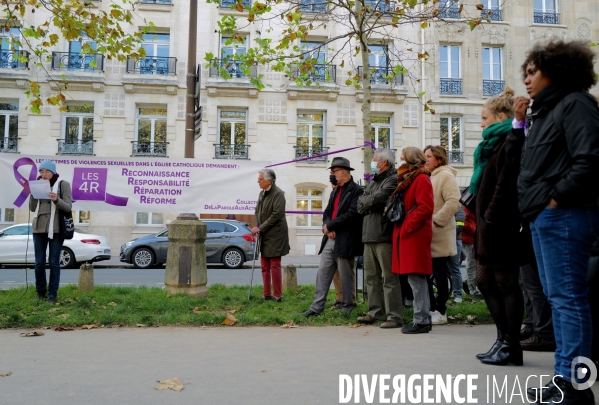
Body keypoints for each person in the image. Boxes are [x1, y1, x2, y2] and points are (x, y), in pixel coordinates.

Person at [506, 40, 599, 404]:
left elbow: (590, 160)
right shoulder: (544, 112)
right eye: (525, 73)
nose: (526, 80)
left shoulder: (575, 104)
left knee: (569, 300)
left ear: (556, 70)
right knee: (559, 298)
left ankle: (576, 386)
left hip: (564, 215)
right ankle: (564, 378)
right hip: (544, 217)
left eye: (533, 71)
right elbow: (522, 165)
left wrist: (555, 197)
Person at [470, 87, 525, 366]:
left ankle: (511, 345)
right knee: (484, 280)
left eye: (484, 118)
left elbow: (506, 184)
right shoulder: (490, 146)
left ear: (501, 116)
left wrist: (490, 217)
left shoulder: (508, 141)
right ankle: (502, 339)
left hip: (500, 223)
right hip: (486, 223)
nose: (481, 124)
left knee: (505, 282)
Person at [301, 157, 364, 317]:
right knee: (323, 272)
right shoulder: (335, 191)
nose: (332, 174)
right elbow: (327, 212)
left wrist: (331, 225)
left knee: (345, 275)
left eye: (334, 171)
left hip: (346, 239)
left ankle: (347, 306)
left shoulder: (357, 191)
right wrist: (328, 226)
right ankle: (316, 308)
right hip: (330, 237)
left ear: (344, 172)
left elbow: (352, 215)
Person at [389, 147, 434, 334]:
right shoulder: (410, 179)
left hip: (414, 234)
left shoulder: (421, 179)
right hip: (408, 233)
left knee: (417, 278)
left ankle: (422, 320)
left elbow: (425, 207)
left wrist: (408, 226)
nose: (400, 162)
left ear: (411, 161)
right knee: (414, 278)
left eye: (402, 159)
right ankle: (421, 318)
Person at [356, 148, 402, 328]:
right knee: (371, 278)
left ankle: (395, 316)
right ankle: (375, 311)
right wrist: (368, 202)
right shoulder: (374, 181)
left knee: (389, 278)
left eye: (375, 160)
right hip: (369, 235)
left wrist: (367, 202)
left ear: (384, 162)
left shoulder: (392, 178)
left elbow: (379, 199)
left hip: (384, 235)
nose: (372, 163)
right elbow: (361, 202)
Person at [423, 145, 460, 325]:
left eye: (429, 156)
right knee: (428, 274)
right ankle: (431, 308)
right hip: (428, 233)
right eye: (425, 156)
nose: (426, 159)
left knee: (439, 274)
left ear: (439, 158)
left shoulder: (445, 175)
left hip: (440, 232)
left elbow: (454, 202)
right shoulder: (429, 176)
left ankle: (441, 310)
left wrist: (436, 221)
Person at [29, 160, 72, 303]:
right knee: (39, 263)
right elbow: (32, 208)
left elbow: (68, 207)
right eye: (41, 171)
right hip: (39, 227)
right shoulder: (37, 184)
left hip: (56, 228)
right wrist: (33, 192)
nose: (44, 174)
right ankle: (40, 292)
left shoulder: (62, 184)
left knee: (54, 262)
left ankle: (52, 295)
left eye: (47, 171)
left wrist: (56, 199)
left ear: (53, 172)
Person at [251, 168, 290, 302]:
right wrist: (257, 227)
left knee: (274, 265)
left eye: (260, 179)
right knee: (264, 265)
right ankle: (266, 294)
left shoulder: (278, 194)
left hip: (276, 234)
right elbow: (257, 212)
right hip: (264, 233)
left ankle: (278, 295)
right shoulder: (262, 193)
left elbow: (276, 215)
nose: (258, 181)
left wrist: (260, 228)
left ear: (269, 180)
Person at [460, 206, 481, 298]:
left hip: (470, 238)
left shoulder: (468, 205)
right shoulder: (467, 206)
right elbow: (463, 222)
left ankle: (466, 282)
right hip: (469, 239)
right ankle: (473, 290)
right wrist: (475, 230)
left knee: (474, 263)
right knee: (472, 263)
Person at [448, 205, 465, 303]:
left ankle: (458, 295)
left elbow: (459, 226)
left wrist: (444, 232)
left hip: (454, 241)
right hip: (443, 242)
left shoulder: (458, 207)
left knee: (454, 269)